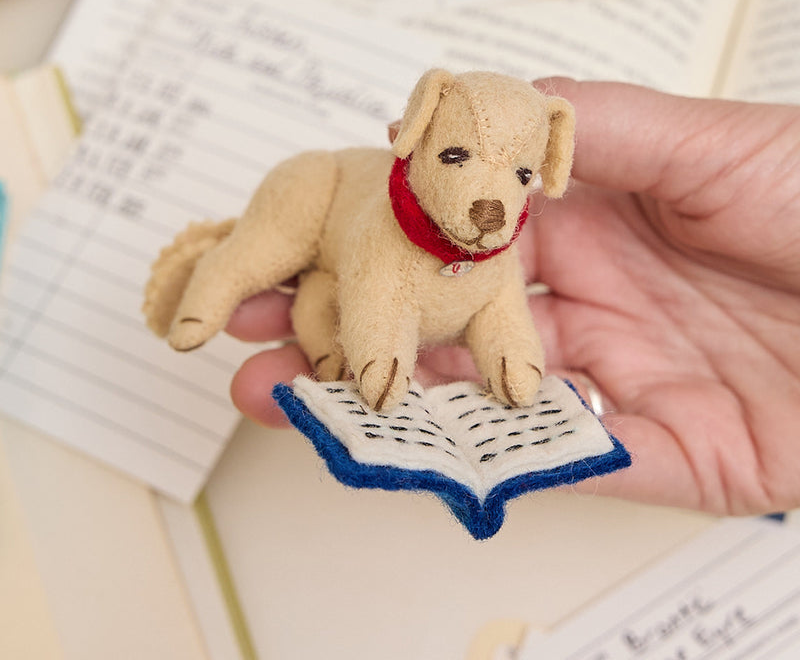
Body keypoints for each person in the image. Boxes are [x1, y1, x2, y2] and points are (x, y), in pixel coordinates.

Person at [224, 78, 800, 516]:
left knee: (498, 321)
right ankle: (236, 290)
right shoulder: (380, 220)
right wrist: (382, 350)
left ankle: (322, 313)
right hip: (347, 237)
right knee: (356, 305)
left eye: (522, 172)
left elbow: (503, 305)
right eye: (455, 156)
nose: (491, 201)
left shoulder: (504, 248)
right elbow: (380, 292)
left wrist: (512, 356)